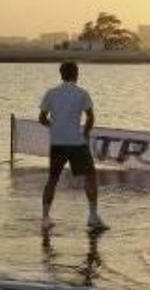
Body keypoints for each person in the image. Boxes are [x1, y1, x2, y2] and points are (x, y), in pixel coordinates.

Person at [39, 61, 107, 233]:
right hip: (76, 142)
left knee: (52, 179)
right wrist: (85, 133)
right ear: (76, 74)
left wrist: (54, 127)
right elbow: (90, 117)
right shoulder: (82, 93)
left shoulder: (51, 93)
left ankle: (45, 218)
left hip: (57, 143)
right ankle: (92, 217)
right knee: (90, 176)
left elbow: (41, 118)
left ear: (61, 75)